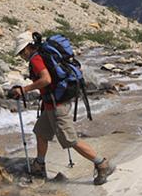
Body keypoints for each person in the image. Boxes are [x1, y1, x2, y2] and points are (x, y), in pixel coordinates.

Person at [11, 31, 114, 185]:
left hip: (56, 105)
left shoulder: (37, 59)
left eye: (21, 53)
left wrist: (24, 90)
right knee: (41, 132)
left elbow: (46, 79)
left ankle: (101, 163)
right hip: (52, 103)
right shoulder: (42, 54)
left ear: (27, 48)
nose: (21, 56)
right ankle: (39, 165)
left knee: (70, 140)